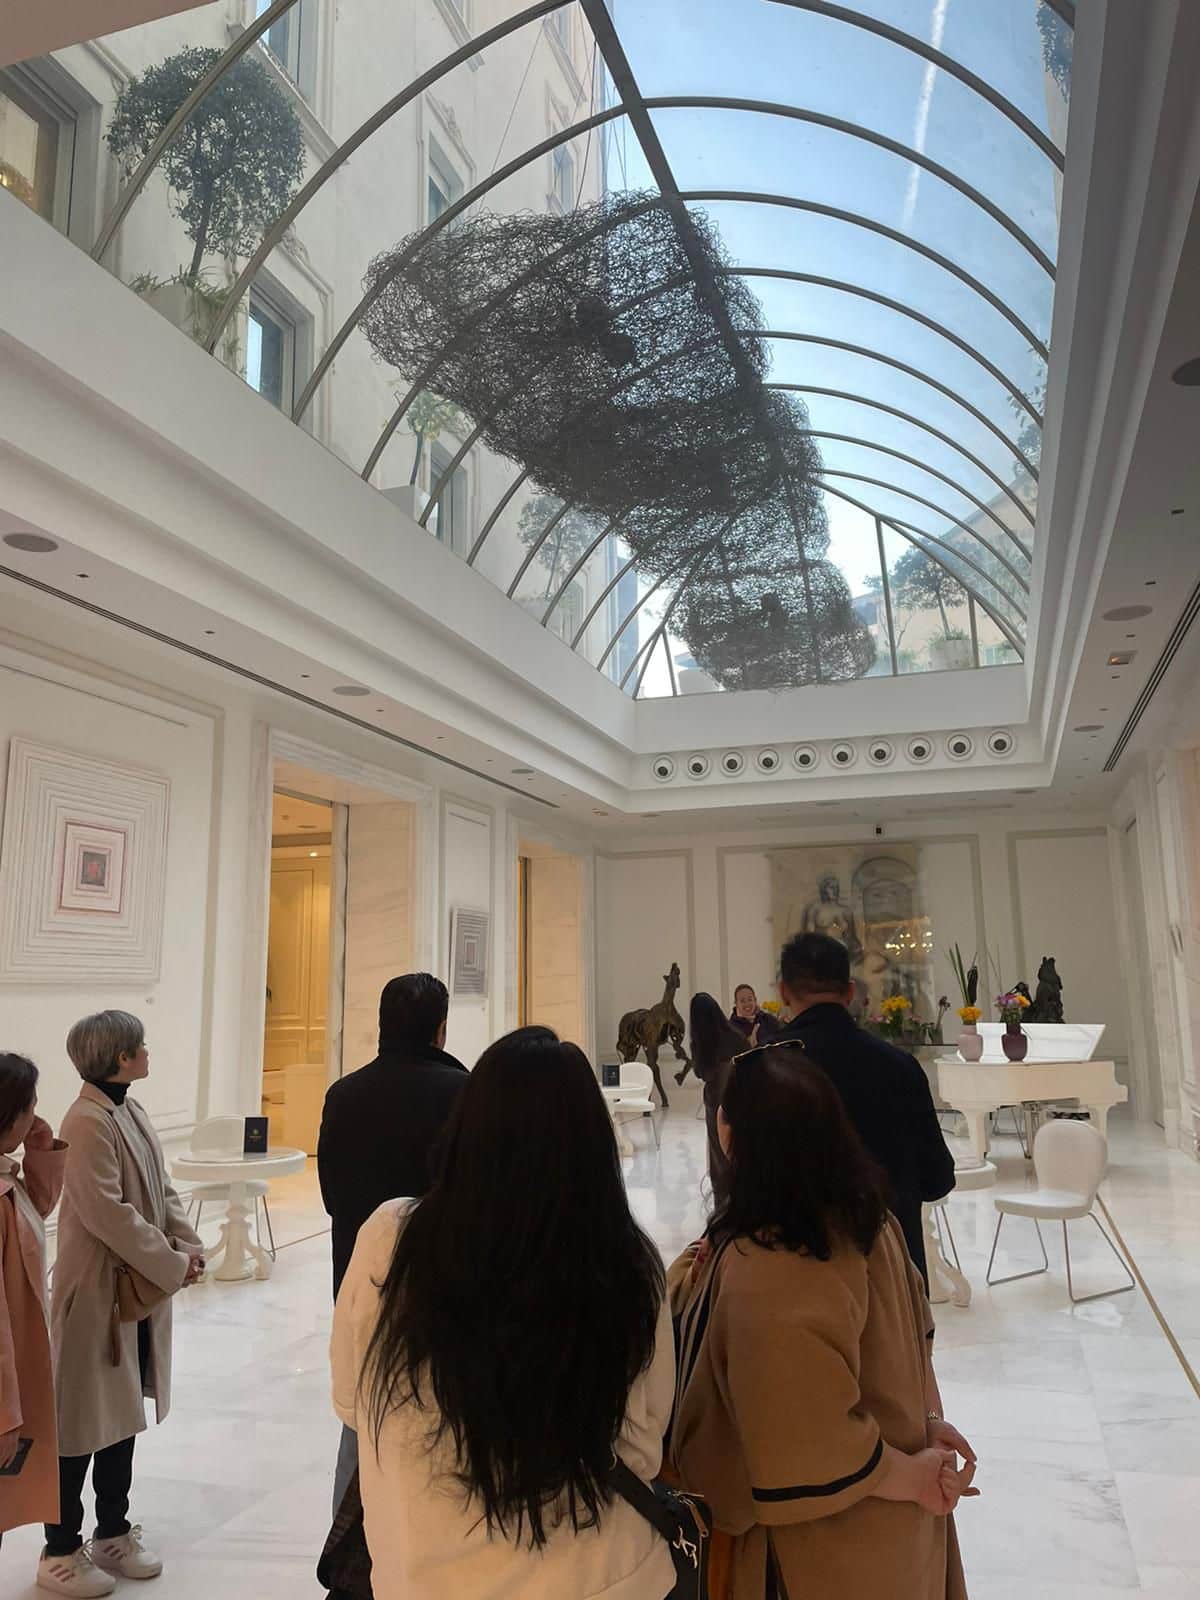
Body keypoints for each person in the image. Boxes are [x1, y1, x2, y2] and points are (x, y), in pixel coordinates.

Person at [331, 1027, 676, 1600]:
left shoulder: (391, 1239)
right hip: (602, 1575)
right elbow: (643, 1441)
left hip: (427, 1574)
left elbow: (351, 1400)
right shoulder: (627, 1261)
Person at [668, 1044, 974, 1600]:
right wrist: (930, 1426)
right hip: (901, 1532)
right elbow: (917, 1340)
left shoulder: (773, 1262)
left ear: (732, 1133)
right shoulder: (870, 1220)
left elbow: (805, 1440)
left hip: (828, 1548)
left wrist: (912, 1477)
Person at [42, 1012, 204, 1597]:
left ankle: (112, 1529)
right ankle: (60, 1547)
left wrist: (188, 1246)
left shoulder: (128, 1110)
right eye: (140, 1046)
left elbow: (161, 1190)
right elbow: (108, 1214)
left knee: (120, 1417)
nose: (146, 1052)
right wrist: (170, 1262)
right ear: (119, 1058)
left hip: (129, 1293)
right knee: (79, 1426)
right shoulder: (85, 1122)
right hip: (95, 1298)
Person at [318, 973, 468, 1510]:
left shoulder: (343, 1096)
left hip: (360, 1284)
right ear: (440, 1030)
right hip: (442, 1287)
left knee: (361, 1418)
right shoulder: (463, 1094)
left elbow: (332, 1196)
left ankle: (349, 1538)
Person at [773, 932, 954, 1283]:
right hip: (893, 1280)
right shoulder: (900, 1066)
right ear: (850, 991)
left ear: (783, 992)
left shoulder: (762, 1069)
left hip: (798, 1282)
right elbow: (937, 1179)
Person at [1, 1054, 67, 1549]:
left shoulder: (7, 1184)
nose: (36, 1113)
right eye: (30, 1106)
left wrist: (39, 1145)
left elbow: (38, 1206)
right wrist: (5, 1413)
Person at [688, 993, 744, 1207]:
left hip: (716, 1100)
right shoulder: (735, 1035)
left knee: (719, 1152)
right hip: (742, 1096)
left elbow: (700, 1072)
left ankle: (723, 1203)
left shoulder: (702, 1044)